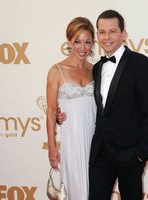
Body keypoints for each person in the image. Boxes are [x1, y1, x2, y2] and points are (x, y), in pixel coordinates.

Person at [58, 9, 148, 200]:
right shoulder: (96, 68)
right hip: (100, 153)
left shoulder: (141, 64)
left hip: (130, 155)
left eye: (112, 31)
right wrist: (61, 115)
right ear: (97, 35)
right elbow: (88, 104)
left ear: (123, 34)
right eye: (102, 32)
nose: (107, 37)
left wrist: (141, 154)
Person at [46, 17, 96, 200]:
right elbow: (51, 112)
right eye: (77, 42)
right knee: (75, 191)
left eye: (87, 42)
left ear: (92, 43)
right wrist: (52, 146)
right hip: (72, 142)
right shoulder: (57, 71)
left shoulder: (96, 70)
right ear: (69, 42)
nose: (83, 48)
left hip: (96, 141)